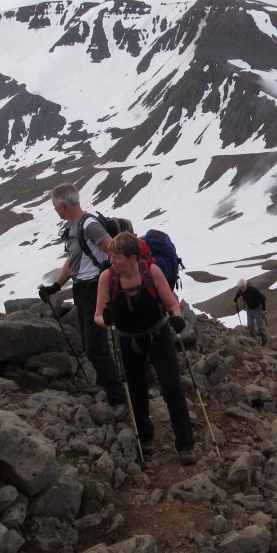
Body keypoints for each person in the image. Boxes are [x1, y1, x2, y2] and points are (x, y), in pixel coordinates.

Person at [94, 231, 196, 464]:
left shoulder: (151, 272)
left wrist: (177, 318)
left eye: (116, 257)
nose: (111, 261)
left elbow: (172, 304)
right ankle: (146, 439)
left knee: (172, 388)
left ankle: (185, 444)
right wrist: (106, 319)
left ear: (131, 258)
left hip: (158, 334)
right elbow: (98, 316)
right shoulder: (107, 279)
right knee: (137, 390)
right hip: (128, 339)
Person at [39, 183, 127, 416]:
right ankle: (107, 386)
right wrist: (56, 285)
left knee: (96, 347)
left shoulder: (88, 224)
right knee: (90, 344)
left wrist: (109, 283)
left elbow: (112, 249)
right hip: (82, 290)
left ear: (62, 206)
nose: (56, 211)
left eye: (55, 207)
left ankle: (118, 399)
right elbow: (74, 259)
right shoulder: (75, 228)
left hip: (95, 289)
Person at [233, 279, 268, 345]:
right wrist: (235, 301)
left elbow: (263, 298)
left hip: (258, 308)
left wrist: (264, 309)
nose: (242, 289)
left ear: (246, 285)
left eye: (243, 287)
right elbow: (237, 294)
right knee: (250, 326)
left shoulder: (252, 289)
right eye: (240, 287)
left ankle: (265, 342)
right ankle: (253, 341)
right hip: (249, 309)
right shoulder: (240, 290)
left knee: (260, 326)